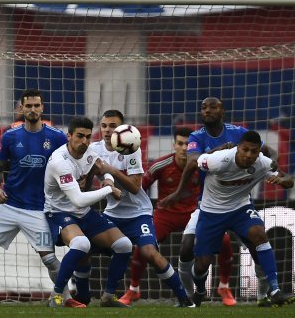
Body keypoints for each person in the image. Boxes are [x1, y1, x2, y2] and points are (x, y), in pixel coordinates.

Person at [0, 89, 80, 308]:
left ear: (42, 108)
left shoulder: (56, 137)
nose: (33, 109)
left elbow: (68, 166)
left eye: (37, 106)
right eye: (29, 106)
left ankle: (67, 298)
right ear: (21, 109)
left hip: (37, 208)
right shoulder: (10, 136)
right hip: (9, 204)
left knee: (49, 258)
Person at [159, 97, 276, 306]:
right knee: (187, 247)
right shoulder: (197, 136)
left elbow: (267, 152)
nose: (207, 111)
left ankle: (264, 294)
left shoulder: (238, 132)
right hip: (209, 204)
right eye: (203, 107)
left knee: (256, 241)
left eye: (213, 107)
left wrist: (273, 166)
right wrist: (219, 151)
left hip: (239, 202)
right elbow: (194, 161)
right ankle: (191, 293)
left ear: (222, 111)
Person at [118, 127, 236, 306]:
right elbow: (140, 187)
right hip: (166, 213)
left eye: (188, 144)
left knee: (225, 241)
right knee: (144, 244)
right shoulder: (161, 164)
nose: (183, 148)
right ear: (174, 145)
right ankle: (133, 289)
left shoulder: (204, 163)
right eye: (180, 143)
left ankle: (224, 286)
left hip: (196, 211)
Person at [91, 110, 193, 307]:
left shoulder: (131, 148)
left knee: (148, 251)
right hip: (112, 213)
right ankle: (82, 296)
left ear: (121, 129)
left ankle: (184, 299)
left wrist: (111, 171)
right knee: (82, 246)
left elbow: (135, 186)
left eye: (112, 126)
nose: (107, 130)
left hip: (138, 213)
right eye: (104, 126)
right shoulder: (93, 150)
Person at [191, 130, 295, 307]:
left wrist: (283, 181)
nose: (248, 155)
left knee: (259, 234)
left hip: (240, 208)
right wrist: (183, 190)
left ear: (258, 152)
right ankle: (200, 290)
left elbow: (288, 179)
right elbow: (195, 162)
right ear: (238, 148)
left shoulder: (263, 163)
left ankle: (275, 290)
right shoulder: (220, 160)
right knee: (202, 264)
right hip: (211, 211)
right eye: (245, 150)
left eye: (253, 151)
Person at [44, 116, 137, 308]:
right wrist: (108, 190)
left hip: (83, 211)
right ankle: (56, 295)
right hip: (58, 212)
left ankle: (108, 297)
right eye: (80, 136)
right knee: (81, 243)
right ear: (69, 136)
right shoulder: (59, 162)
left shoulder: (90, 152)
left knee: (124, 245)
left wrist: (109, 180)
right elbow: (77, 199)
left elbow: (103, 169)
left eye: (87, 136)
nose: (84, 141)